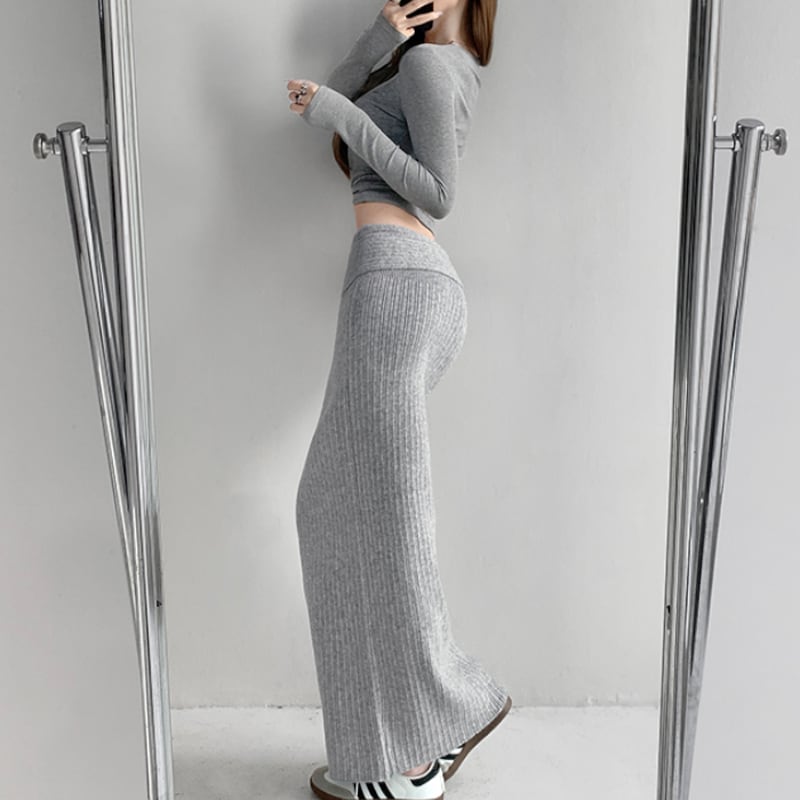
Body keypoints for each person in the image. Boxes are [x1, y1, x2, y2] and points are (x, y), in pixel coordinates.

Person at [287, 2, 509, 798]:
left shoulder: (429, 67)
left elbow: (438, 192)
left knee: (384, 518)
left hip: (398, 282)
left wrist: (341, 109)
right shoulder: (420, 61)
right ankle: (382, 751)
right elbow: (326, 109)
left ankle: (423, 747)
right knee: (334, 508)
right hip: (392, 281)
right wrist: (377, 40)